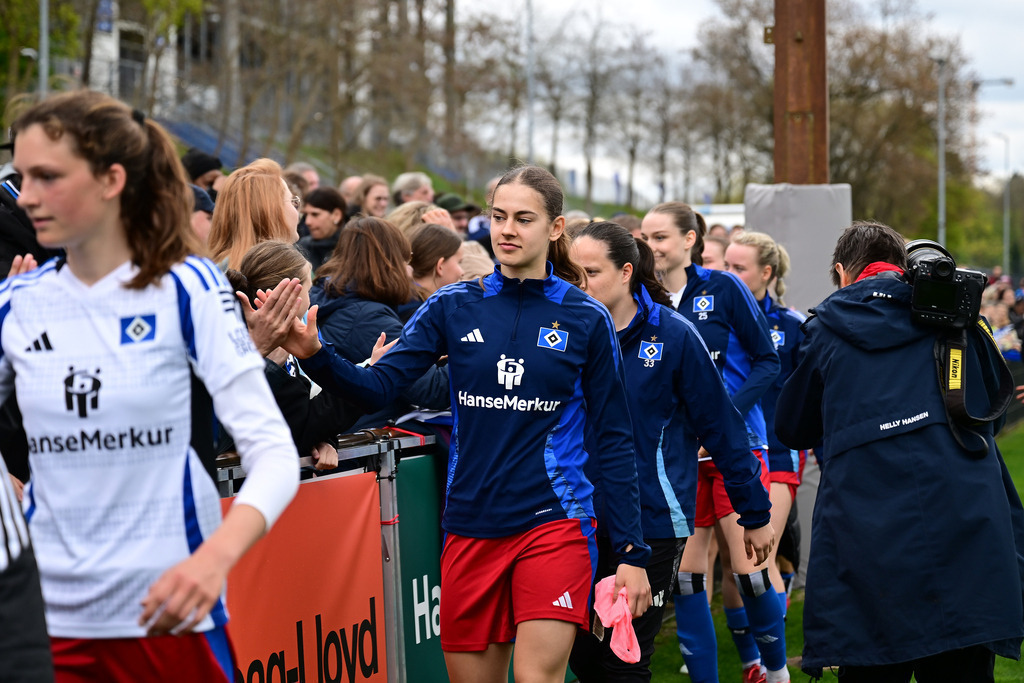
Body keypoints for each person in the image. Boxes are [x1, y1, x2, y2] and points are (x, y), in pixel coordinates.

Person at [282, 165, 652, 683]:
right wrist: (317, 355)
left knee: (535, 678)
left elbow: (615, 438)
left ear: (555, 228)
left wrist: (631, 553)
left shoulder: (585, 318)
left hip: (555, 523)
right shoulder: (452, 306)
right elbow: (380, 386)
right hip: (470, 525)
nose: (507, 230)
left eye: (524, 219)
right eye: (498, 216)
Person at [5, 89, 299, 681]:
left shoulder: (188, 288)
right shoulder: (18, 301)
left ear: (112, 180)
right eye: (21, 174)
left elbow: (273, 453)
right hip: (48, 625)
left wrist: (213, 562)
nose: (26, 195)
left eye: (47, 176)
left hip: (168, 613)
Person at [776, 220, 1024, 681]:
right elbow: (993, 400)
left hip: (867, 533)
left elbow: (792, 426)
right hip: (964, 522)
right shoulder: (956, 314)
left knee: (873, 662)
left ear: (842, 272)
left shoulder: (826, 328)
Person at [567, 221, 773, 682]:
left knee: (624, 656)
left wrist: (754, 514)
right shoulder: (565, 331)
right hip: (574, 517)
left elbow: (721, 427)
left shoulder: (674, 335)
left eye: (590, 272)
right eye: (571, 273)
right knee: (582, 652)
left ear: (625, 272)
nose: (579, 284)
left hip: (653, 519)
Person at [641, 202, 787, 683]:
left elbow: (768, 360)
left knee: (748, 572)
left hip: (735, 446)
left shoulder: (722, 287)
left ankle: (777, 671)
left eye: (660, 237)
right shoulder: (644, 297)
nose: (651, 246)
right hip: (680, 454)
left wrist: (725, 419)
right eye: (645, 237)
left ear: (689, 240)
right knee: (685, 580)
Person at [309, 216, 450, 429]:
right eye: (406, 261)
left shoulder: (341, 301)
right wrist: (473, 355)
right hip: (361, 446)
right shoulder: (368, 319)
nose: (410, 271)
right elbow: (432, 390)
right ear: (389, 264)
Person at [725, 232, 807, 596]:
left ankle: (774, 653)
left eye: (739, 268)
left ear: (767, 273)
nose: (728, 274)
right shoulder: (716, 322)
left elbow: (809, 394)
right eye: (725, 265)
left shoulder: (793, 325)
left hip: (776, 450)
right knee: (732, 564)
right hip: (725, 451)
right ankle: (751, 655)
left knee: (760, 559)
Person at [206, 158, 301, 270]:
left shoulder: (214, 272)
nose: (298, 212)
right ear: (271, 213)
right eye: (292, 201)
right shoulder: (267, 277)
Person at [297, 187, 347, 273]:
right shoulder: (302, 247)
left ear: (336, 215)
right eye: (306, 215)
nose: (307, 222)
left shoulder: (351, 250)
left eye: (315, 214)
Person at [409, 223, 465, 301]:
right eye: (459, 262)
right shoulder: (422, 310)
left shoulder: (403, 299)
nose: (462, 272)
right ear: (440, 266)